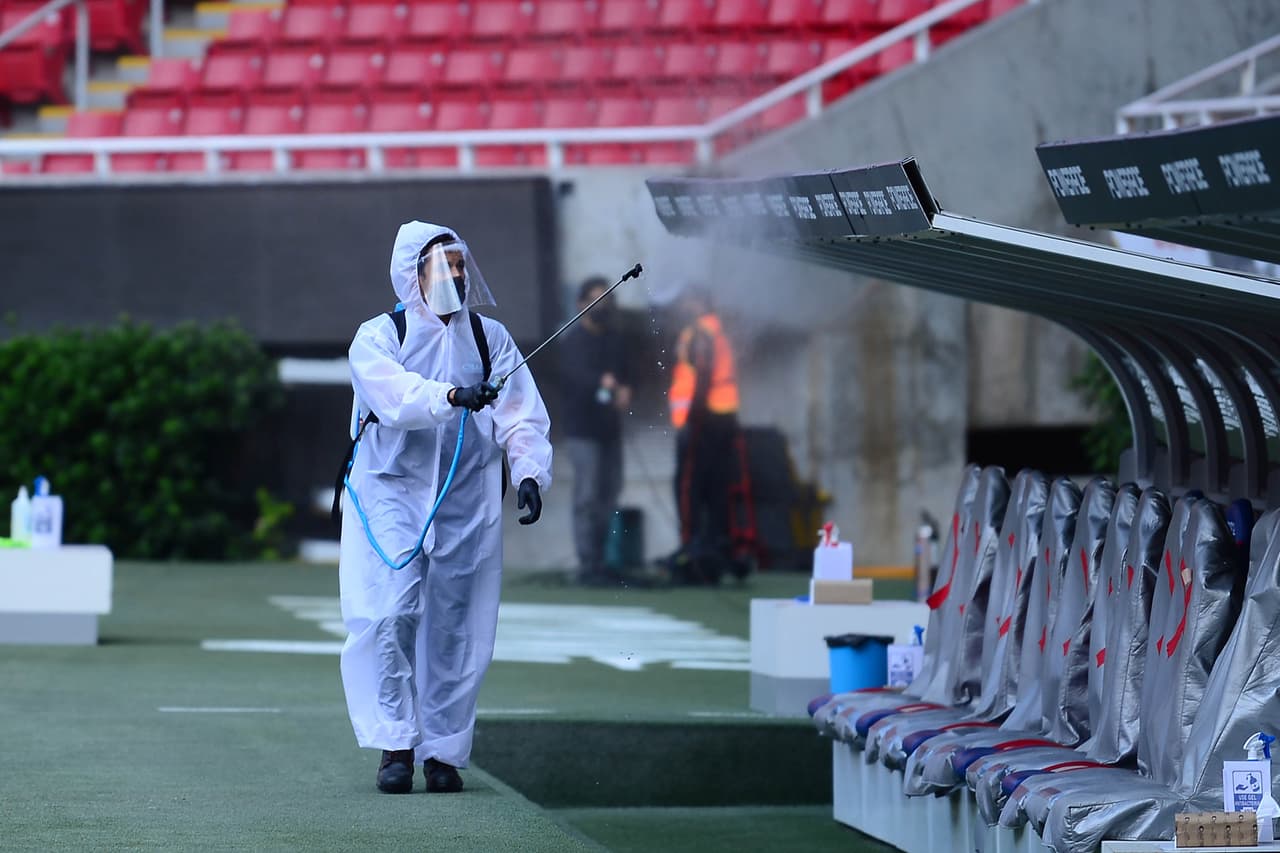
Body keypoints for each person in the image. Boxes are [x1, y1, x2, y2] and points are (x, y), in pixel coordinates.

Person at [338, 221, 552, 795]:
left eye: (461, 265)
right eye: (444, 265)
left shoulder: (489, 338)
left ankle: (444, 753)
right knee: (389, 614)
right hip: (391, 491)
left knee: (459, 623)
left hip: (465, 494)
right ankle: (395, 742)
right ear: (414, 272)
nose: (456, 275)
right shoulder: (379, 335)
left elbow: (521, 412)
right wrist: (452, 395)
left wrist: (528, 470)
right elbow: (393, 396)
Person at [558, 276, 632, 586]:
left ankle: (602, 560)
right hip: (581, 430)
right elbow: (574, 377)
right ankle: (587, 563)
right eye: (595, 299)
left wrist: (626, 390)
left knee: (610, 493)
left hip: (610, 430)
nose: (602, 306)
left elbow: (629, 375)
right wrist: (599, 383)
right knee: (586, 496)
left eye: (607, 299)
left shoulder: (616, 340)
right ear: (580, 304)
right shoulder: (571, 341)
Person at [667, 288, 743, 584]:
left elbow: (701, 376)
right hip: (724, 417)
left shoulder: (700, 334)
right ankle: (716, 546)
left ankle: (692, 547)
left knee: (688, 486)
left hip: (703, 419)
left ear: (698, 303)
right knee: (716, 487)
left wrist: (692, 420)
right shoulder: (719, 330)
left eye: (688, 300)